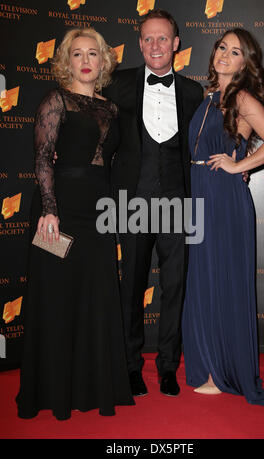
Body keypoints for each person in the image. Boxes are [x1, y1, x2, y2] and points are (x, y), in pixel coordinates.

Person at [16, 28, 134, 420]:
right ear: (66, 61)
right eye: (77, 54)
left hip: (98, 213)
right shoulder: (56, 100)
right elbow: (44, 156)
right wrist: (49, 208)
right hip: (61, 207)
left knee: (96, 296)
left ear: (103, 61)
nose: (85, 60)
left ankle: (94, 386)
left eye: (93, 54)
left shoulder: (111, 108)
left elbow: (112, 163)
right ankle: (53, 390)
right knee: (58, 296)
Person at [182, 28, 264, 405]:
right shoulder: (210, 96)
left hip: (223, 200)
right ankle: (209, 363)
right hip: (200, 198)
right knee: (204, 282)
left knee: (220, 281)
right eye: (222, 47)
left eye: (236, 52)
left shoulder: (241, 97)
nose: (225, 54)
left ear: (246, 63)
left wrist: (238, 164)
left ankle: (220, 371)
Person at [103, 9, 203, 397]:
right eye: (148, 38)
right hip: (130, 203)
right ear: (139, 43)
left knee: (175, 288)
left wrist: (237, 165)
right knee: (131, 288)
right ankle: (130, 366)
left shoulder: (194, 93)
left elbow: (209, 139)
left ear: (176, 43)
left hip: (178, 204)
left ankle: (167, 367)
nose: (156, 45)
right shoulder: (118, 84)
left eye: (163, 38)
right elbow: (87, 116)